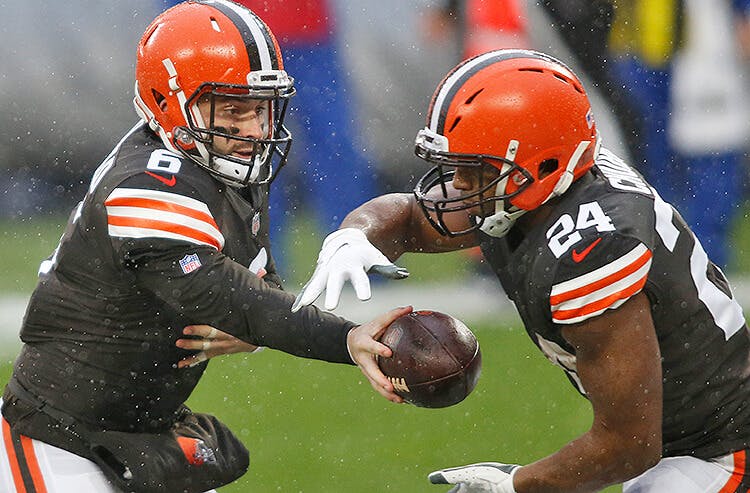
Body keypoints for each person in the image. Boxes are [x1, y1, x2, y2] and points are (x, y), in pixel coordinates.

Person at [292, 49, 750, 491]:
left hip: (721, 450)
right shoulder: (537, 189)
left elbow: (629, 443)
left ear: (542, 164)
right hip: (680, 443)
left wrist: (513, 485)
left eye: (476, 171)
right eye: (457, 168)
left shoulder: (592, 248)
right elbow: (412, 216)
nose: (459, 186)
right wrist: (354, 236)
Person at [0, 2, 408, 492]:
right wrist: (344, 339)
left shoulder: (219, 159)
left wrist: (253, 321)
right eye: (232, 110)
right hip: (59, 437)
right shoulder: (146, 184)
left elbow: (257, 284)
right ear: (168, 101)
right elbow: (235, 297)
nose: (254, 130)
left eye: (259, 108)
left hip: (143, 428)